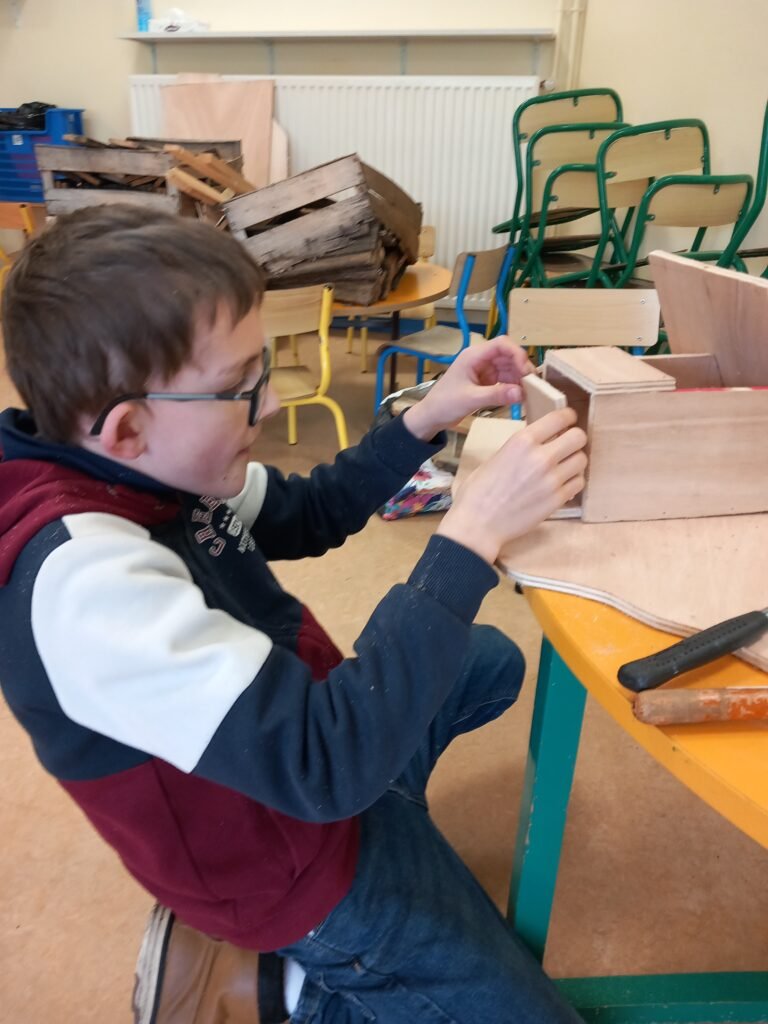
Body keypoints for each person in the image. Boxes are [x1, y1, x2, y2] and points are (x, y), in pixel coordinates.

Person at [0, 205, 587, 1023]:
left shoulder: (152, 465)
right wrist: (469, 539)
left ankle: (381, 804)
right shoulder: (86, 586)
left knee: (487, 661)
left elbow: (310, 511)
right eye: (241, 386)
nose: (271, 404)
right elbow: (324, 765)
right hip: (284, 864)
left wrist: (428, 415)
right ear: (128, 427)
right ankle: (297, 985)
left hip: (309, 754)